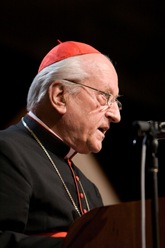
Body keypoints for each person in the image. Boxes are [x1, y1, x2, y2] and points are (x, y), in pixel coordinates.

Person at [0, 40, 121, 247]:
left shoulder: (90, 189)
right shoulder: (7, 150)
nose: (115, 115)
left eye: (116, 101)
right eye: (105, 96)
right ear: (59, 96)